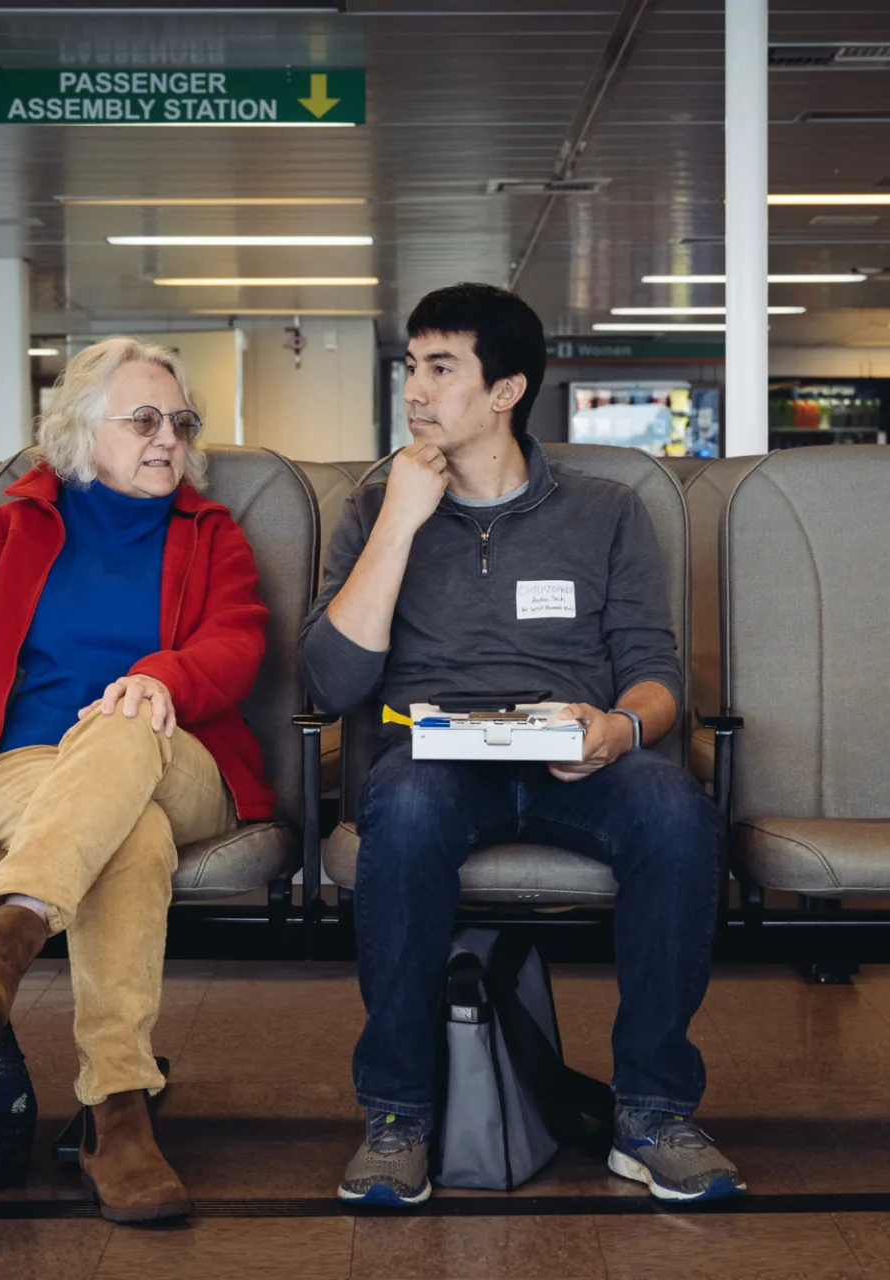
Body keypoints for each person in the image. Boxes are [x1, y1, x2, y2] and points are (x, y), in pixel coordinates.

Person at [300, 283, 740, 1206]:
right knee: (408, 810)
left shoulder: (606, 510)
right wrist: (398, 520)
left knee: (674, 810)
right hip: (435, 757)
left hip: (574, 753)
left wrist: (621, 729)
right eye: (411, 367)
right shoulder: (374, 511)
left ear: (504, 391)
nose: (415, 390)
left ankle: (653, 1111)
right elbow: (333, 685)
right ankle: (399, 1116)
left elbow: (658, 675)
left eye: (441, 368)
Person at [0, 337, 272, 1223]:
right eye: (143, 420)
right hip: (28, 769)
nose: (167, 439)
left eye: (181, 422)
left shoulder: (211, 534)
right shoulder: (14, 530)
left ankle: (6, 943)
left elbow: (238, 644)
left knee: (122, 725)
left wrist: (161, 678)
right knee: (125, 839)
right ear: (79, 431)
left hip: (179, 754)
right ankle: (118, 1113)